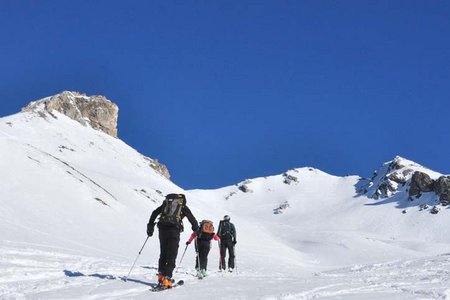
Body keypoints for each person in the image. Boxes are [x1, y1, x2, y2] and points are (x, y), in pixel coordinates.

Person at [147, 193, 198, 288]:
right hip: (174, 230)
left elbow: (155, 212)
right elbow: (191, 218)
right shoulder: (182, 206)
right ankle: (167, 278)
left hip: (162, 229)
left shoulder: (165, 204)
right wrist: (196, 228)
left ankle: (161, 276)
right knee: (172, 254)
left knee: (163, 253)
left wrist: (150, 226)